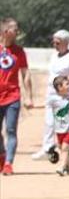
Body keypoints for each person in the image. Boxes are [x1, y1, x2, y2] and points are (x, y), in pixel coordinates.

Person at [33, 30, 69, 160]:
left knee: (64, 122)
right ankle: (48, 148)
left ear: (66, 43)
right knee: (49, 121)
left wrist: (63, 83)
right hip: (51, 93)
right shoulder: (54, 56)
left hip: (64, 95)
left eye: (58, 42)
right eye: (53, 42)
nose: (54, 44)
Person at [0, 18, 34, 175]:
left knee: (11, 130)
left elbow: (26, 74)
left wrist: (29, 97)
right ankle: (2, 155)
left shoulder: (19, 52)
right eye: (15, 29)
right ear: (6, 31)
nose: (17, 32)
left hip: (13, 96)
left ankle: (8, 163)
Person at [47, 75, 69, 176]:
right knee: (60, 147)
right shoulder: (53, 99)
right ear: (59, 87)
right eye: (66, 84)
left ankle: (61, 167)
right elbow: (46, 106)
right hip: (58, 129)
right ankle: (68, 164)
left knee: (65, 148)